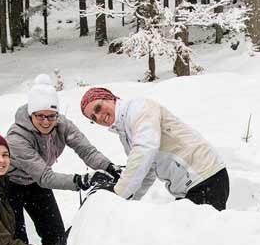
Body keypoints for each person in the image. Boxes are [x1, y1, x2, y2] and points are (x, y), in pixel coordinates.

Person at [6, 74, 120, 245]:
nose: (46, 122)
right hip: (10, 185)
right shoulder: (17, 138)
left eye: (51, 116)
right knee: (18, 241)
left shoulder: (62, 125)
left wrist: (109, 167)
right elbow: (45, 176)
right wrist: (82, 180)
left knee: (55, 236)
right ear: (31, 113)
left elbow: (86, 150)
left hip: (36, 185)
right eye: (40, 116)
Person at [79, 87, 229, 211]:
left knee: (197, 240)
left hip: (205, 177)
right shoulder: (125, 132)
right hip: (189, 185)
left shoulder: (138, 109)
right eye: (93, 118)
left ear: (111, 98)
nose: (98, 117)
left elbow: (144, 150)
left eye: (98, 108)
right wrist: (126, 202)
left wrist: (118, 193)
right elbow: (147, 171)